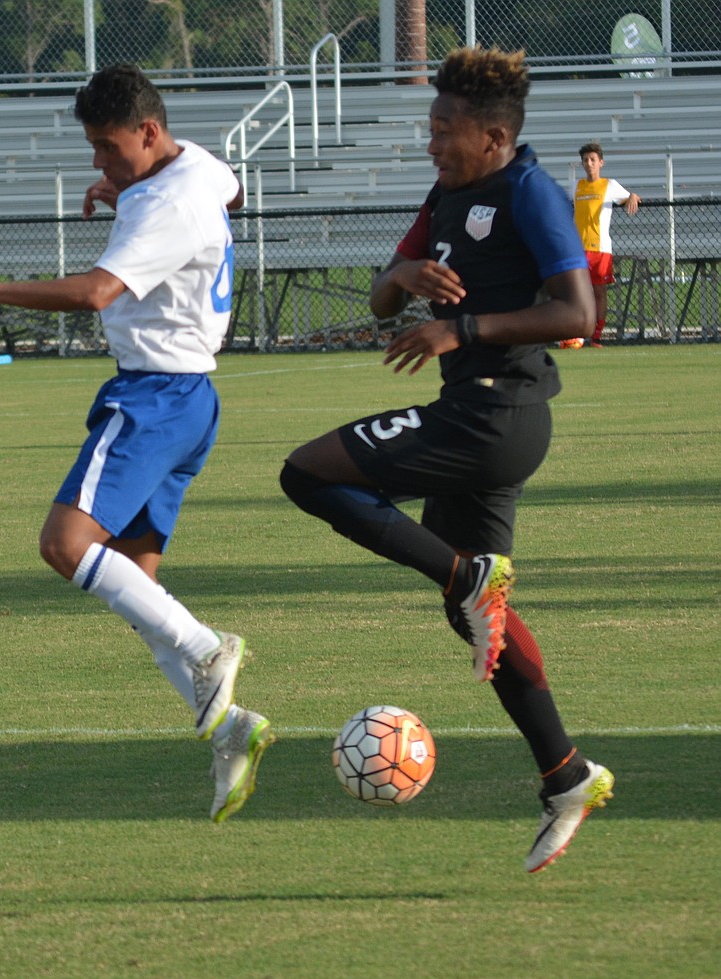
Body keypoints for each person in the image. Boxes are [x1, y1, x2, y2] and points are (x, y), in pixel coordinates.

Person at [279, 46, 614, 873]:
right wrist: (404, 272)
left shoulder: (529, 191)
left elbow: (578, 312)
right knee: (476, 620)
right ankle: (566, 773)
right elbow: (380, 299)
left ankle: (465, 575)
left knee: (307, 472)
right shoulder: (445, 196)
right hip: (482, 417)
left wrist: (459, 329)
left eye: (444, 131)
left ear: (494, 137)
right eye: (430, 129)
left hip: (495, 414)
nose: (431, 144)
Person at [0, 63, 273, 824]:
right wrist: (125, 191)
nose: (101, 163)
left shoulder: (168, 202)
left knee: (64, 544)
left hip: (152, 398)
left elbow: (94, 292)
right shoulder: (196, 167)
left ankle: (210, 648)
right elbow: (232, 192)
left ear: (149, 131)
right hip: (190, 400)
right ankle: (231, 731)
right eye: (95, 151)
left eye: (110, 148)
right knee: (140, 593)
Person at [566, 140, 641, 348]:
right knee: (577, 292)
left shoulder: (610, 185)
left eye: (592, 160)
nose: (589, 163)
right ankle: (577, 333)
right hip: (577, 249)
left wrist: (633, 196)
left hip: (600, 249)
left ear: (601, 162)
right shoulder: (576, 186)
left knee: (599, 292)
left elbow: (629, 197)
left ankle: (596, 335)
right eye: (585, 160)